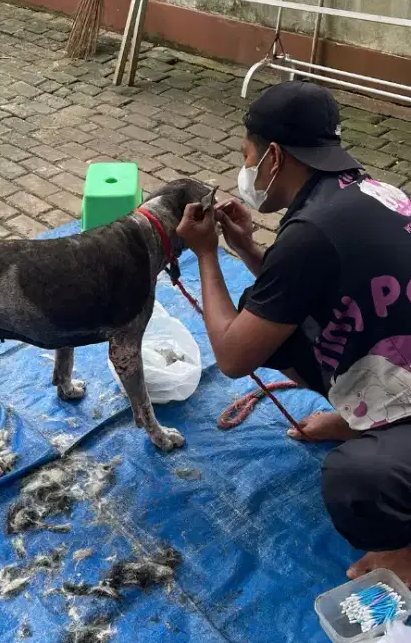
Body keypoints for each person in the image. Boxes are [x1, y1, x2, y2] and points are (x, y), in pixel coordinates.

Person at [176, 80, 411, 583]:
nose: (245, 171)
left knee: (354, 481)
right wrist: (247, 250)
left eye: (247, 156)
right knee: (265, 319)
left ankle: (401, 554)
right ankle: (365, 423)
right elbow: (304, 289)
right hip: (401, 363)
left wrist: (207, 254)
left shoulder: (309, 232)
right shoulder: (367, 192)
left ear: (274, 156)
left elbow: (234, 357)